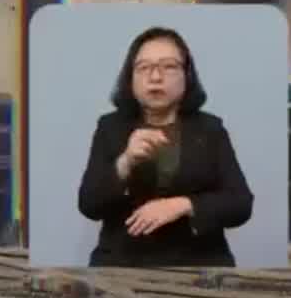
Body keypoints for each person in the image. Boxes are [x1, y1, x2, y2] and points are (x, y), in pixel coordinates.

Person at [76, 26, 253, 267]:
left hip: (199, 265)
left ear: (187, 76)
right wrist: (125, 162)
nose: (156, 77)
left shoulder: (210, 129)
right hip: (123, 265)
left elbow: (240, 203)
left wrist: (184, 205)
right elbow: (89, 204)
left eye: (169, 66)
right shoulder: (110, 127)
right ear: (130, 78)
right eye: (144, 68)